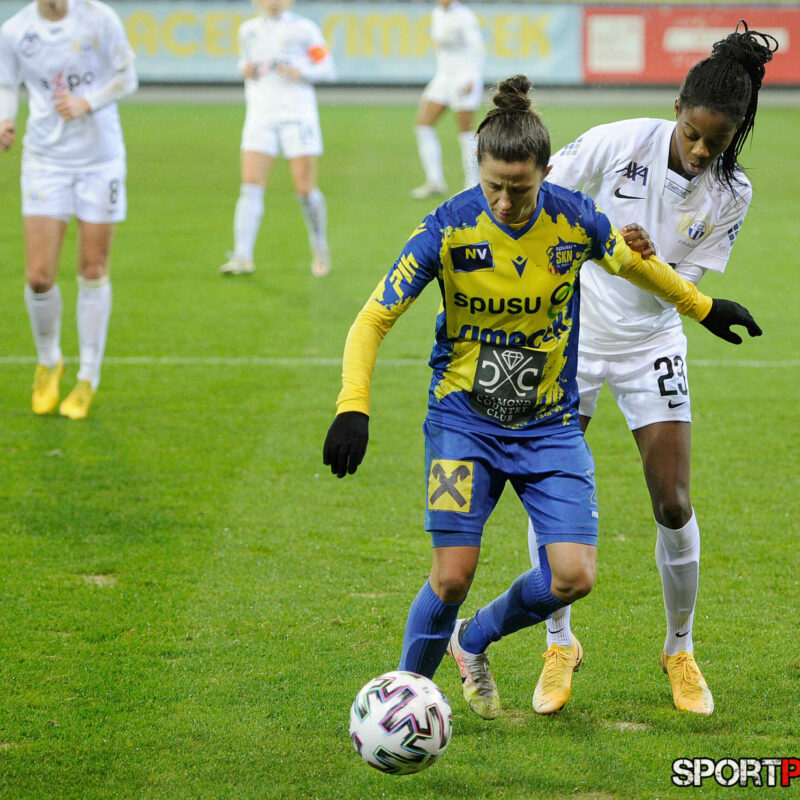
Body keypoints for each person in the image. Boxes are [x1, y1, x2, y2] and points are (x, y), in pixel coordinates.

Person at [322, 75, 761, 720]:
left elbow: (635, 263)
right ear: (478, 169)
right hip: (462, 422)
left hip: (549, 428)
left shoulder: (573, 219)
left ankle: (475, 639)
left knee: (574, 577)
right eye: (493, 185)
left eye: (519, 188)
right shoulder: (446, 228)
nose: (503, 201)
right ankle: (402, 703)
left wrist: (702, 308)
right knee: (450, 577)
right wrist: (352, 404)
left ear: (546, 174)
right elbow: (373, 318)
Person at [524, 22, 777, 718]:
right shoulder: (617, 141)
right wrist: (602, 242)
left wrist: (649, 262)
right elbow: (537, 202)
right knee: (552, 493)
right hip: (574, 331)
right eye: (693, 134)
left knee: (672, 503)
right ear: (676, 109)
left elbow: (682, 286)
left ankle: (680, 648)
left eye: (715, 143)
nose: (699, 152)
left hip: (653, 340)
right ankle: (559, 642)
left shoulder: (732, 194)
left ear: (735, 136)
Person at [0, 0, 137, 420]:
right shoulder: (15, 31)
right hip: (45, 160)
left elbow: (127, 76)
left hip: (100, 160)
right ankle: (49, 360)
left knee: (92, 269)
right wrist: (5, 120)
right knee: (39, 275)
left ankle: (88, 377)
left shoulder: (99, 17)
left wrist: (87, 101)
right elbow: (7, 83)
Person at [219, 0, 335, 278]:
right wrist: (243, 70)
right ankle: (242, 256)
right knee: (251, 185)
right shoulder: (247, 30)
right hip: (260, 116)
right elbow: (244, 62)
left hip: (298, 116)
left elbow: (328, 68)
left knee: (304, 189)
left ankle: (319, 244)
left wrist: (301, 72)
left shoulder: (304, 29)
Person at [410, 0, 484, 200]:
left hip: (464, 77)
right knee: (423, 124)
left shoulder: (464, 15)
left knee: (466, 131)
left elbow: (477, 48)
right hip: (444, 77)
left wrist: (471, 78)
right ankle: (435, 180)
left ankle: (473, 184)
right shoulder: (437, 13)